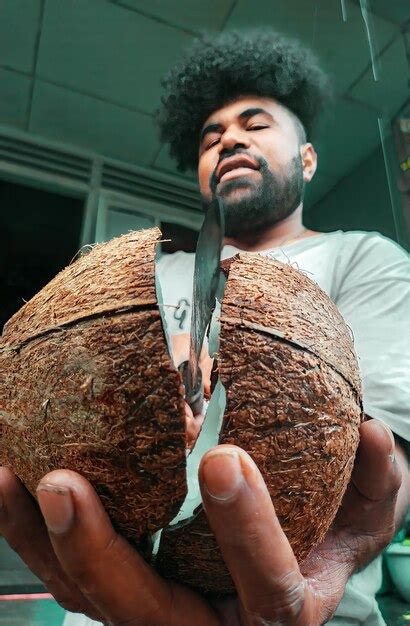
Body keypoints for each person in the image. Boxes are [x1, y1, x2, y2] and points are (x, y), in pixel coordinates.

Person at [0, 29, 408, 626]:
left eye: (256, 123)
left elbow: (393, 446)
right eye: (210, 137)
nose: (230, 139)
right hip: (103, 602)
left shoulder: (362, 258)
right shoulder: (141, 272)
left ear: (309, 158)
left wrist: (353, 539)